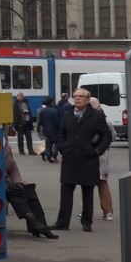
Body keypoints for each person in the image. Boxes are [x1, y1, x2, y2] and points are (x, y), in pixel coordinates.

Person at [54, 88, 112, 232]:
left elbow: (107, 136)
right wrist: (62, 147)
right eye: (75, 96)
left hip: (88, 159)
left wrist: (98, 150)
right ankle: (62, 222)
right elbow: (61, 132)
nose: (77, 99)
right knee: (66, 190)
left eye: (80, 96)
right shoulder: (67, 115)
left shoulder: (97, 116)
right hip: (70, 158)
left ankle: (86, 222)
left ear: (87, 100)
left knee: (88, 192)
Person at [3, 141, 58, 239]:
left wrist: (18, 181)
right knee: (15, 191)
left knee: (28, 189)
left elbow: (14, 168)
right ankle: (32, 220)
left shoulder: (6, 146)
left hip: (9, 181)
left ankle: (42, 227)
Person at [89, 96, 114, 220]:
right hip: (103, 156)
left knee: (87, 185)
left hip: (90, 156)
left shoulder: (86, 120)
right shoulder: (106, 120)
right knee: (103, 183)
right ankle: (108, 211)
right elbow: (112, 136)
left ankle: (86, 211)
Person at [37, 96, 60, 162]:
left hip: (46, 130)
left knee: (48, 144)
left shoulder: (42, 111)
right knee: (57, 143)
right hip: (55, 130)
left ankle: (48, 157)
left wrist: (38, 129)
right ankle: (54, 155)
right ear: (51, 102)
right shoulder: (55, 111)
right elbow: (57, 122)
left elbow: (39, 121)